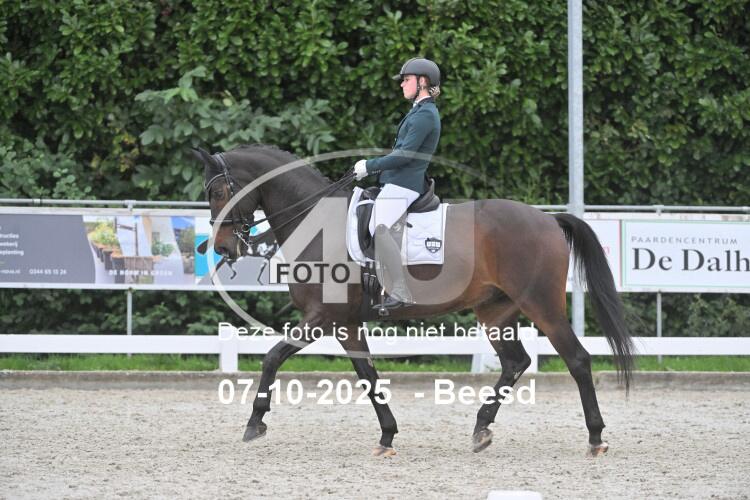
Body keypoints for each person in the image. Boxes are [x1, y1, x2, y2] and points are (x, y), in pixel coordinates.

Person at [353, 57, 442, 310]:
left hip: (405, 183)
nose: (402, 84)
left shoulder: (426, 115)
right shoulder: (418, 111)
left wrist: (369, 166)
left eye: (406, 80)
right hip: (396, 181)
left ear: (422, 82)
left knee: (379, 226)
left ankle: (400, 290)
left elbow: (404, 156)